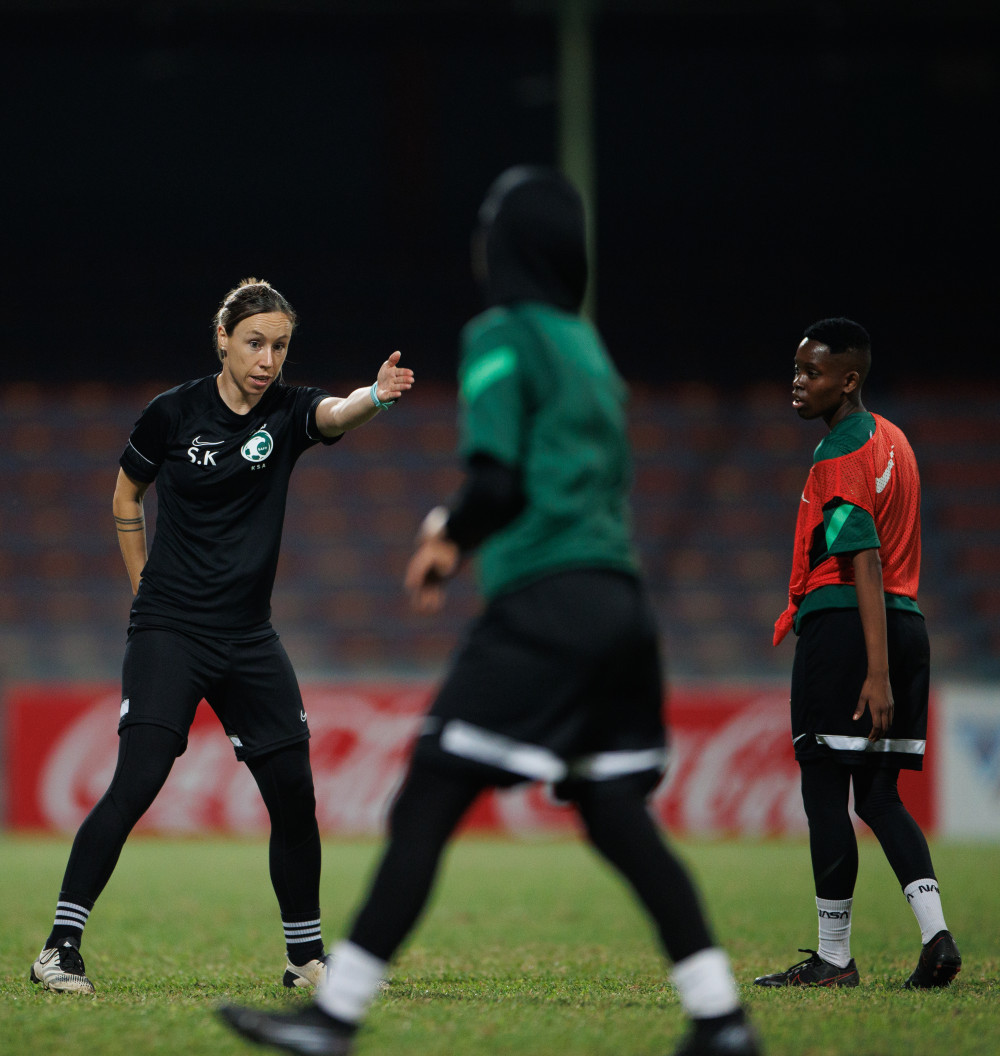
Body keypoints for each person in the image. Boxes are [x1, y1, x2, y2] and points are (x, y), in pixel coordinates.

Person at [218, 168, 761, 1056]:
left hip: (547, 601)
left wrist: (445, 534)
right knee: (614, 812)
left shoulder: (502, 334)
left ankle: (332, 1016)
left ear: (506, 248)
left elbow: (498, 482)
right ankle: (721, 1018)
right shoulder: (588, 347)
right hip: (622, 605)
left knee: (430, 794)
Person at [29, 278, 414, 996]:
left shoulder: (288, 412)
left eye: (280, 346)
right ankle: (59, 947)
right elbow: (126, 493)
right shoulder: (172, 413)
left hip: (248, 639)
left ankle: (305, 960)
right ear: (223, 340)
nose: (268, 359)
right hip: (171, 631)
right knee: (138, 780)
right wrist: (142, 588)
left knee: (294, 796)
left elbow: (335, 413)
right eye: (255, 343)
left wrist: (375, 395)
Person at [756, 317, 961, 990]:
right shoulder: (894, 439)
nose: (797, 382)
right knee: (879, 798)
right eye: (796, 369)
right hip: (905, 625)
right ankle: (936, 935)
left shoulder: (840, 451)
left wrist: (875, 673)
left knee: (825, 793)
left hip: (849, 630)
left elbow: (863, 557)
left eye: (811, 372)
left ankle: (833, 957)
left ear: (848, 381)